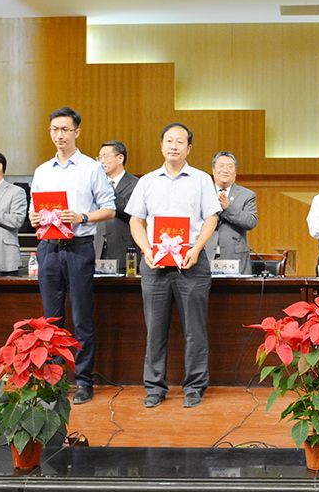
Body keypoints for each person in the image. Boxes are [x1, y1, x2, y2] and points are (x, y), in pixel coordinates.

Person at [127, 123, 221, 408]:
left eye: (180, 142)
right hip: (155, 264)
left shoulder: (202, 180)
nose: (174, 146)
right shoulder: (147, 181)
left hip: (192, 262)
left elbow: (212, 218)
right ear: (161, 145)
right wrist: (146, 250)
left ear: (189, 148)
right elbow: (135, 220)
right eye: (169, 140)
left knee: (195, 329)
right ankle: (154, 387)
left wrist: (196, 248)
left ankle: (194, 387)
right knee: (155, 329)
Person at [29, 107, 115, 405]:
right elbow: (35, 210)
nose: (60, 135)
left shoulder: (91, 168)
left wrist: (82, 216)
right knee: (51, 320)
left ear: (77, 132)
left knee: (81, 318)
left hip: (79, 247)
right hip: (48, 248)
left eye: (65, 129)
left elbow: (110, 209)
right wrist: (34, 218)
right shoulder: (42, 171)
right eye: (55, 129)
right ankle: (54, 381)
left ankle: (84, 381)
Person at [204, 151, 257, 275]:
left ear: (235, 172)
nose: (225, 170)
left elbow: (251, 222)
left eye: (230, 166)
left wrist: (228, 207)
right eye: (221, 166)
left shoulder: (247, 195)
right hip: (205, 253)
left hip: (234, 258)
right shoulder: (203, 192)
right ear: (213, 170)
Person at [94, 141, 139, 273]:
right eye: (99, 157)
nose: (101, 161)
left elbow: (130, 211)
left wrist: (107, 187)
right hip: (97, 246)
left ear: (120, 158)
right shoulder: (95, 184)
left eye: (105, 156)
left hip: (123, 248)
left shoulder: (136, 183)